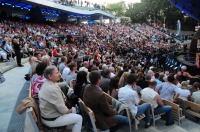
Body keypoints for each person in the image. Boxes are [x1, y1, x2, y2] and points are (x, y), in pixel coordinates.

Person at [39, 66, 82, 132]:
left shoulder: (47, 83)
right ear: (50, 76)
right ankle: (70, 127)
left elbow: (56, 85)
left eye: (59, 72)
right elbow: (63, 110)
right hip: (52, 119)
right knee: (79, 118)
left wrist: (65, 83)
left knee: (73, 109)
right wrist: (69, 109)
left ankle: (69, 128)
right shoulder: (53, 90)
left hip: (47, 115)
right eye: (57, 73)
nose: (59, 74)